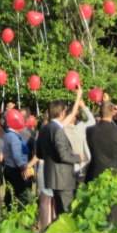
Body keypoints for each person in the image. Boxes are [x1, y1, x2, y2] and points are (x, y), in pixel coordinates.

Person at [39, 89, 82, 217]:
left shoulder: (44, 128)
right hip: (63, 178)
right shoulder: (57, 130)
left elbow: (40, 153)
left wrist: (78, 97)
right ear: (62, 112)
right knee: (67, 212)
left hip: (52, 176)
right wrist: (77, 158)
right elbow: (63, 155)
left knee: (59, 212)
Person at [86, 101, 117, 182]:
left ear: (100, 112)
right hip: (115, 172)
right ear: (113, 112)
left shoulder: (90, 130)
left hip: (95, 171)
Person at [2, 114, 31, 207]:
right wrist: (23, 167)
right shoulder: (14, 137)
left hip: (8, 168)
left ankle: (8, 209)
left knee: (10, 192)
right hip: (16, 170)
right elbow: (17, 156)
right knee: (19, 193)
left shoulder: (7, 134)